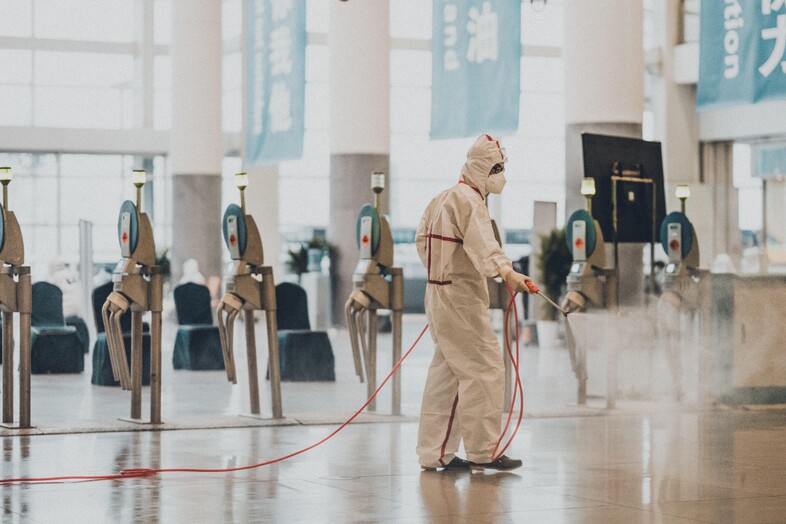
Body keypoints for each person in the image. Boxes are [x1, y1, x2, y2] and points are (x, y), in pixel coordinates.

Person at [416, 134, 536, 472]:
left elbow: (420, 239)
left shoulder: (442, 198)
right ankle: (485, 451)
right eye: (496, 168)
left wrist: (438, 271)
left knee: (447, 374)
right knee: (484, 368)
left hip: (438, 294)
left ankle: (434, 452)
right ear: (482, 168)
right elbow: (485, 245)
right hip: (460, 298)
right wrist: (508, 273)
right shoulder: (469, 200)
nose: (501, 175)